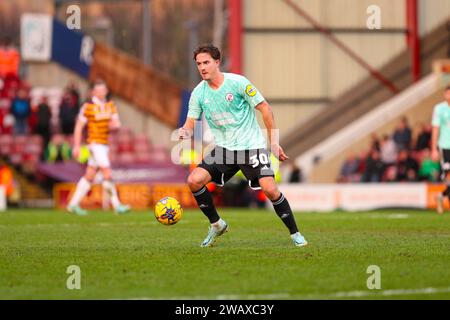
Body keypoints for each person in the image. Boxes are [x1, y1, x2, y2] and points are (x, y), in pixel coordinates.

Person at [178, 45, 307, 247]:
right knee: (194, 180)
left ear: (217, 62)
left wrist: (273, 142)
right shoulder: (198, 93)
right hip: (224, 150)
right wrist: (185, 131)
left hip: (251, 147)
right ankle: (217, 224)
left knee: (270, 190)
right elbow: (190, 122)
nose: (202, 67)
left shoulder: (238, 83)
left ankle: (295, 233)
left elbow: (264, 107)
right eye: (199, 64)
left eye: (206, 62)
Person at [67, 79, 130, 215]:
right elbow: (78, 127)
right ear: (93, 92)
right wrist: (77, 146)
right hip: (94, 144)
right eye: (99, 90)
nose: (101, 92)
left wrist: (113, 125)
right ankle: (117, 205)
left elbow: (116, 124)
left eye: (103, 90)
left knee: (90, 175)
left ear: (106, 91)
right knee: (107, 173)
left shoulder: (110, 105)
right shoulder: (87, 107)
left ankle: (72, 204)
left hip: (104, 144)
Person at [431, 86, 450, 214]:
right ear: (445, 95)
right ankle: (443, 196)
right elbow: (435, 129)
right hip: (445, 146)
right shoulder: (439, 108)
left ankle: (441, 196)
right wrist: (434, 149)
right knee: (448, 175)